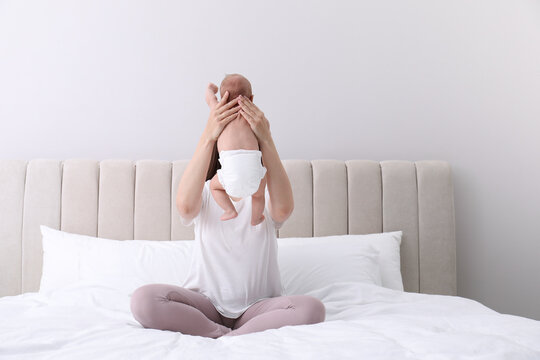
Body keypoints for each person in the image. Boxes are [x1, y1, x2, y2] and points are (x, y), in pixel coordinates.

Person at [130, 74, 326, 338]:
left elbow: (283, 210)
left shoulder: (263, 193)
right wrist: (209, 133)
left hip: (257, 308)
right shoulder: (208, 191)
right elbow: (185, 208)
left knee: (312, 309)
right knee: (143, 300)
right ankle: (220, 331)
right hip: (205, 306)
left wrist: (266, 138)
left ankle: (231, 335)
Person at [205, 75, 267, 225]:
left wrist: (210, 90)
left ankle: (229, 209)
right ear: (251, 99)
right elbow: (266, 130)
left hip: (229, 178)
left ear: (223, 100)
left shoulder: (220, 115)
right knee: (259, 194)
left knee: (214, 187)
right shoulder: (253, 120)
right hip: (254, 177)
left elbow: (210, 99)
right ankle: (256, 217)